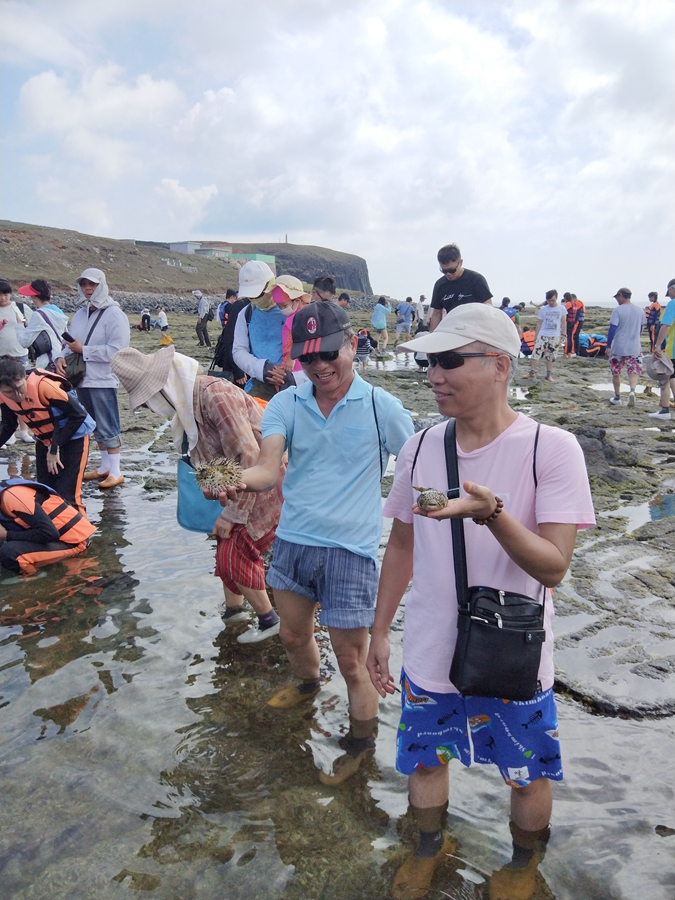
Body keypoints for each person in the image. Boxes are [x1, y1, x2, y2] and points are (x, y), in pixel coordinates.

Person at [366, 303, 595, 900]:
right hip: (430, 647)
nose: (433, 374)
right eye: (428, 362)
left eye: (448, 360)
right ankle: (427, 848)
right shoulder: (420, 448)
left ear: (499, 365)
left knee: (526, 773)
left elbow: (555, 567)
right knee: (423, 760)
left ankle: (522, 866)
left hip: (512, 650)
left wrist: (492, 514)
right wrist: (380, 631)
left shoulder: (553, 449)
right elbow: (402, 543)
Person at [219, 301, 414, 784]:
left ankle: (361, 746)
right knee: (290, 635)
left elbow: (415, 471)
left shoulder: (381, 407)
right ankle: (307, 685)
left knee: (352, 661)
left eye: (331, 353)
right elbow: (266, 470)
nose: (321, 366)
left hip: (352, 551)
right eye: (309, 359)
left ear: (352, 345)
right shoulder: (286, 402)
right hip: (293, 542)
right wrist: (227, 477)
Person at [111, 345, 286, 642]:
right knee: (224, 545)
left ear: (165, 388)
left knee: (234, 551)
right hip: (240, 487)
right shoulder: (189, 407)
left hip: (269, 481)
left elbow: (250, 456)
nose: (146, 408)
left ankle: (270, 621)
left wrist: (231, 514)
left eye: (147, 400)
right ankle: (234, 613)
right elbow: (215, 461)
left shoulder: (214, 396)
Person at [55, 268, 130, 489]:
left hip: (103, 378)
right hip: (82, 379)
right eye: (84, 284)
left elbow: (118, 350)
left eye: (93, 284)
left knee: (108, 423)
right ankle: (105, 466)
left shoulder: (115, 314)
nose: (88, 288)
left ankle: (116, 471)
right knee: (94, 424)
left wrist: (84, 350)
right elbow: (68, 345)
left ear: (102, 285)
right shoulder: (80, 314)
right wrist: (61, 357)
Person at [0, 357, 95, 514]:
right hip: (45, 439)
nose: (17, 395)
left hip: (74, 436)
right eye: (9, 392)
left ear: (24, 377)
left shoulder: (43, 386)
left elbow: (77, 415)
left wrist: (54, 448)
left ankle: (82, 537)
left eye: (19, 387)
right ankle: (55, 535)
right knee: (46, 492)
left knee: (68, 495)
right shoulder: (4, 396)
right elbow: (9, 424)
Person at [233, 261, 308, 401]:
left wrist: (295, 377)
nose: (256, 299)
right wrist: (262, 369)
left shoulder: (297, 310)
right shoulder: (246, 314)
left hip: (299, 384)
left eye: (260, 294)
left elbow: (316, 349)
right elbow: (238, 351)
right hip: (260, 385)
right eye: (252, 296)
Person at [0, 479, 96, 575]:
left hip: (74, 542)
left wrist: (7, 535)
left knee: (9, 553)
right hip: (52, 537)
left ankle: (33, 579)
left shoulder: (12, 498)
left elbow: (49, 533)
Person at [0, 278, 36, 443]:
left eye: (5, 294)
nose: (2, 297)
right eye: (0, 294)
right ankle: (8, 431)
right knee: (2, 394)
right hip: (1, 357)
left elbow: (33, 327)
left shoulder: (20, 308)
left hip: (20, 355)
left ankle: (24, 431)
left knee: (21, 392)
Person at [428, 243, 492, 333]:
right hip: (452, 329)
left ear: (460, 262)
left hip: (475, 330)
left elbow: (488, 309)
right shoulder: (440, 285)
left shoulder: (476, 280)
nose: (448, 274)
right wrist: (432, 337)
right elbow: (436, 314)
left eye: (451, 270)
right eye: (444, 271)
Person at [15, 279, 68, 370]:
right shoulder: (58, 311)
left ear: (34, 296)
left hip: (48, 362)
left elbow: (24, 341)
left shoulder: (39, 315)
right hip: (62, 358)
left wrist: (20, 324)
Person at [606, 288, 643, 408]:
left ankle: (617, 397)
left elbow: (612, 329)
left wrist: (608, 346)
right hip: (634, 346)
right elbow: (641, 329)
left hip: (619, 346)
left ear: (621, 295)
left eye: (617, 297)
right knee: (633, 371)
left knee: (616, 372)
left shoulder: (618, 310)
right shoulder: (639, 310)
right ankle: (632, 391)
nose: (617, 300)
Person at [523, 290, 566, 382]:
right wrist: (536, 335)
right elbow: (539, 323)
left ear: (556, 298)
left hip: (555, 335)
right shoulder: (543, 309)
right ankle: (532, 372)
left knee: (551, 355)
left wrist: (563, 334)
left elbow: (563, 322)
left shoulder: (562, 309)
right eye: (548, 300)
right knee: (536, 353)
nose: (550, 302)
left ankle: (548, 374)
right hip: (542, 334)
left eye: (552, 300)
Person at [648, 279, 675, 421]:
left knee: (665, 376)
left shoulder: (673, 304)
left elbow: (666, 326)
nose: (669, 296)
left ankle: (664, 410)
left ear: (672, 289)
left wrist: (658, 345)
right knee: (672, 377)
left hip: (673, 349)